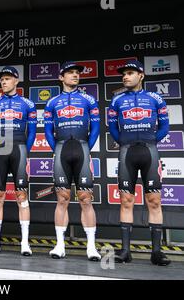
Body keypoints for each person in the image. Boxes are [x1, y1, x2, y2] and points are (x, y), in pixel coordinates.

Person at [108, 59, 170, 266]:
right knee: (126, 201)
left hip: (149, 151)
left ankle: (157, 252)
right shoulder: (117, 100)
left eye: (130, 73)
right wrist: (123, 142)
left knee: (154, 201)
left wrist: (151, 142)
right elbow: (113, 127)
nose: (125, 76)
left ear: (141, 76)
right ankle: (125, 251)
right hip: (127, 152)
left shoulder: (155, 98)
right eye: (124, 74)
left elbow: (164, 126)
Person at [44, 62, 101, 261]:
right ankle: (60, 245)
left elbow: (95, 128)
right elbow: (48, 132)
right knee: (62, 198)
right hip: (61, 150)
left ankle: (91, 247)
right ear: (61, 77)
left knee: (86, 198)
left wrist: (87, 146)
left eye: (77, 73)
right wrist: (56, 149)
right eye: (70, 73)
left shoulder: (89, 100)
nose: (75, 75)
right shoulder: (52, 102)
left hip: (82, 148)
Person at [0, 66, 37, 256]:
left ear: (16, 81)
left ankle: (25, 243)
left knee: (22, 197)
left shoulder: (28, 104)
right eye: (2, 79)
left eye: (8, 78)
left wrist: (24, 151)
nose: (4, 82)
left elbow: (33, 133)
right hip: (0, 150)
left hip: (19, 148)